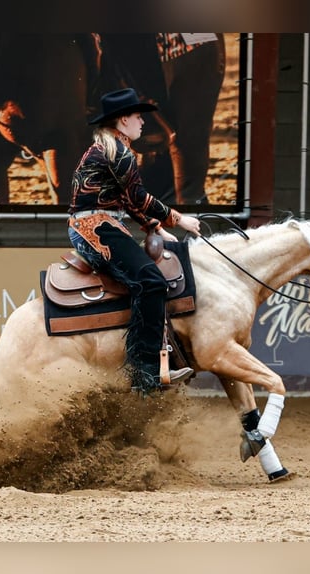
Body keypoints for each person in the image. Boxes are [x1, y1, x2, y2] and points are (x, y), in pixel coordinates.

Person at [68, 88, 202, 394]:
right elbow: (139, 197)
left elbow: (127, 199)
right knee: (151, 282)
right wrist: (179, 219)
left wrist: (154, 225)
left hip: (97, 225)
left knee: (145, 279)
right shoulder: (119, 152)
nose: (142, 122)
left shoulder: (110, 150)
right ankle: (145, 370)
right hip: (96, 227)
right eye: (138, 116)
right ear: (123, 120)